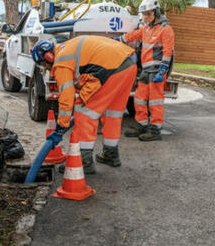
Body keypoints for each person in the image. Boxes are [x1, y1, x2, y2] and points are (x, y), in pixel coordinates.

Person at [31, 36, 137, 174]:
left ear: (48, 57)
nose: (46, 68)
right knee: (112, 113)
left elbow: (67, 97)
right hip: (128, 65)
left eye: (44, 65)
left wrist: (60, 127)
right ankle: (111, 154)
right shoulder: (66, 49)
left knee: (83, 111)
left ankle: (83, 161)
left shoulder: (60, 63)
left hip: (110, 69)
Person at [123, 0, 175, 141]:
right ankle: (141, 125)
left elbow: (168, 52)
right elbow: (132, 35)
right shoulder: (146, 29)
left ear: (156, 12)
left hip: (157, 71)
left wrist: (162, 71)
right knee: (139, 99)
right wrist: (119, 40)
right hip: (146, 71)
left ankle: (154, 129)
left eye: (148, 14)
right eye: (144, 14)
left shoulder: (166, 29)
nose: (145, 17)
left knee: (155, 101)